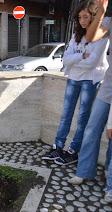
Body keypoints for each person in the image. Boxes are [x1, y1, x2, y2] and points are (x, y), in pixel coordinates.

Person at [41, 0, 109, 166]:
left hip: (90, 80)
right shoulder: (75, 36)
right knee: (66, 115)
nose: (82, 21)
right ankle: (58, 147)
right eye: (79, 17)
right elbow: (66, 59)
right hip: (73, 78)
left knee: (82, 118)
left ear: (93, 16)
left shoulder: (101, 36)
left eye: (86, 17)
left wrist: (75, 60)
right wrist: (80, 56)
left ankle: (73, 151)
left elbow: (92, 63)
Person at [68, 0, 112, 203]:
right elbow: (91, 36)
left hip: (100, 80)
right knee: (91, 127)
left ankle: (110, 184)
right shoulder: (108, 20)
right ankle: (85, 171)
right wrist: (101, 10)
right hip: (108, 84)